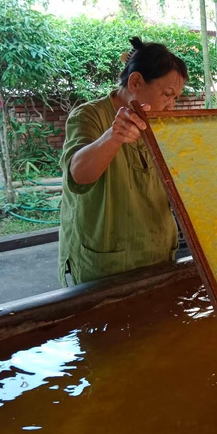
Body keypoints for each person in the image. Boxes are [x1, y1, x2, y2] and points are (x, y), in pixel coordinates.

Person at [58, 37, 188, 286]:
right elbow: (78, 175)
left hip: (158, 255)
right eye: (167, 94)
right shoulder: (88, 116)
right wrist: (113, 136)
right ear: (136, 82)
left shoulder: (160, 121)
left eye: (176, 98)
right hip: (105, 265)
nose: (171, 106)